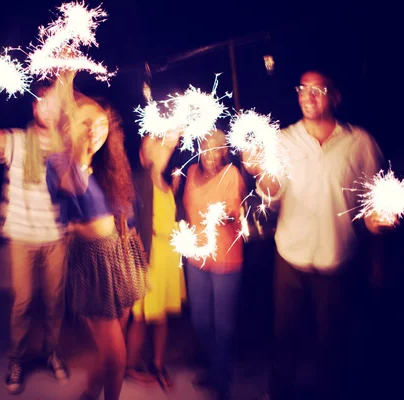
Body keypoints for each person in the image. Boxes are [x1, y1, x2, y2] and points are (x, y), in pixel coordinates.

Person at [244, 70, 389, 400]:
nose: (308, 96)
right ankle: (279, 393)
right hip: (289, 259)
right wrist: (260, 174)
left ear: (334, 96)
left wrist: (378, 258)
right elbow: (272, 194)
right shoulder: (283, 140)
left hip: (335, 262)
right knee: (284, 337)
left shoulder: (359, 143)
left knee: (333, 343)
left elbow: (375, 204)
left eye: (318, 89)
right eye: (302, 89)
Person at [45, 75, 148, 400]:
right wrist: (67, 89)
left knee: (111, 348)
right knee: (117, 356)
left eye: (101, 124)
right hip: (92, 263)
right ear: (72, 125)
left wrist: (138, 249)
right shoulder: (60, 161)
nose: (95, 130)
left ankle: (89, 392)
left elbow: (128, 213)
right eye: (86, 123)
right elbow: (73, 186)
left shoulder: (113, 164)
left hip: (124, 255)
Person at [0, 85, 69, 394]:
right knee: (23, 303)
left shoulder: (65, 146)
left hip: (56, 236)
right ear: (34, 108)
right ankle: (17, 359)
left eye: (55, 104)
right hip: (22, 237)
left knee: (55, 302)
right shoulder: (17, 140)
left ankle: (51, 352)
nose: (50, 110)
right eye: (44, 104)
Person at [180, 129, 246, 400]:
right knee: (200, 320)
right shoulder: (192, 172)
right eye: (205, 146)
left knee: (223, 325)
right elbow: (186, 209)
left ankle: (220, 381)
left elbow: (234, 213)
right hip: (197, 259)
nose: (208, 153)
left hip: (226, 260)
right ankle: (216, 367)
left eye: (215, 148)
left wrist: (231, 217)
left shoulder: (231, 175)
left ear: (224, 151)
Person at [125, 132, 185, 391]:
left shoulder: (167, 183)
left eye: (157, 144)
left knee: (161, 316)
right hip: (149, 258)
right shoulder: (139, 182)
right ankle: (129, 366)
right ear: (142, 155)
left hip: (169, 257)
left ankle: (158, 365)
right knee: (140, 315)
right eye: (148, 146)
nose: (156, 149)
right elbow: (130, 220)